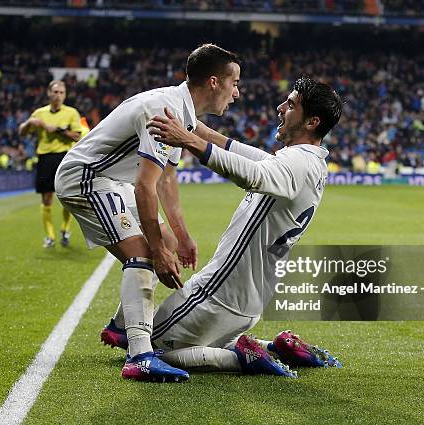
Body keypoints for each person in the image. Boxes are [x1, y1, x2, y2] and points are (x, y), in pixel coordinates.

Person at [102, 77, 343, 377]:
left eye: (291, 104)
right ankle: (275, 347)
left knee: (144, 344)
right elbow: (237, 149)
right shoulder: (310, 162)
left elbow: (251, 173)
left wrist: (188, 140)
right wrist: (194, 126)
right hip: (249, 299)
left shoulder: (296, 162)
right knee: (188, 339)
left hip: (218, 293)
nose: (281, 108)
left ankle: (242, 359)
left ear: (312, 121)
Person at [54, 44, 241, 382]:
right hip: (87, 178)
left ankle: (122, 327)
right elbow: (145, 187)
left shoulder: (181, 114)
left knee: (164, 241)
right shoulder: (166, 109)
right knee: (145, 254)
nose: (237, 93)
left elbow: (167, 180)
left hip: (110, 180)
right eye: (235, 83)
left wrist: (180, 237)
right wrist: (156, 251)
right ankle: (139, 356)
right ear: (214, 82)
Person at [19, 80, 82, 248]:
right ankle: (50, 236)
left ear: (65, 95)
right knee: (47, 198)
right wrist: (29, 123)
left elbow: (77, 136)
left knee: (68, 197)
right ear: (48, 93)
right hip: (45, 157)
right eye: (55, 92)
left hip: (65, 156)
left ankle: (65, 229)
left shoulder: (71, 113)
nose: (58, 95)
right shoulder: (39, 113)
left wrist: (59, 130)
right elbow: (22, 132)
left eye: (61, 92)